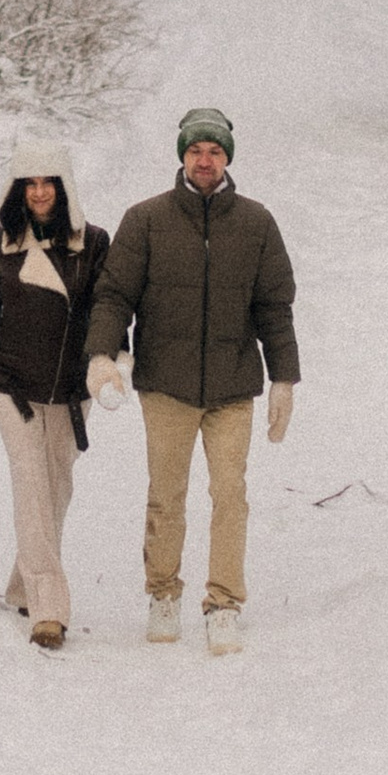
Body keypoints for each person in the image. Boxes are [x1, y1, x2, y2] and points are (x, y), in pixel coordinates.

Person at [84, 107, 298, 654]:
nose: (206, 160)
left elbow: (275, 307)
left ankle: (223, 602)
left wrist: (284, 379)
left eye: (216, 151)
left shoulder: (256, 223)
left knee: (231, 495)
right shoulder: (147, 219)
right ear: (182, 155)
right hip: (167, 385)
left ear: (227, 158)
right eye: (197, 151)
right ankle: (162, 592)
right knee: (167, 495)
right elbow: (114, 295)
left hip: (232, 386)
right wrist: (104, 354)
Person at [0, 156, 108, 650]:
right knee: (32, 482)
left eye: (47, 183)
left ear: (64, 187)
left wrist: (106, 362)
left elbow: (108, 309)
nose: (38, 193)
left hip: (72, 389)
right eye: (28, 184)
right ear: (16, 190)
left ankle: (22, 584)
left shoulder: (93, 242)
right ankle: (49, 608)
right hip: (11, 384)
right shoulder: (3, 242)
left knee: (56, 489)